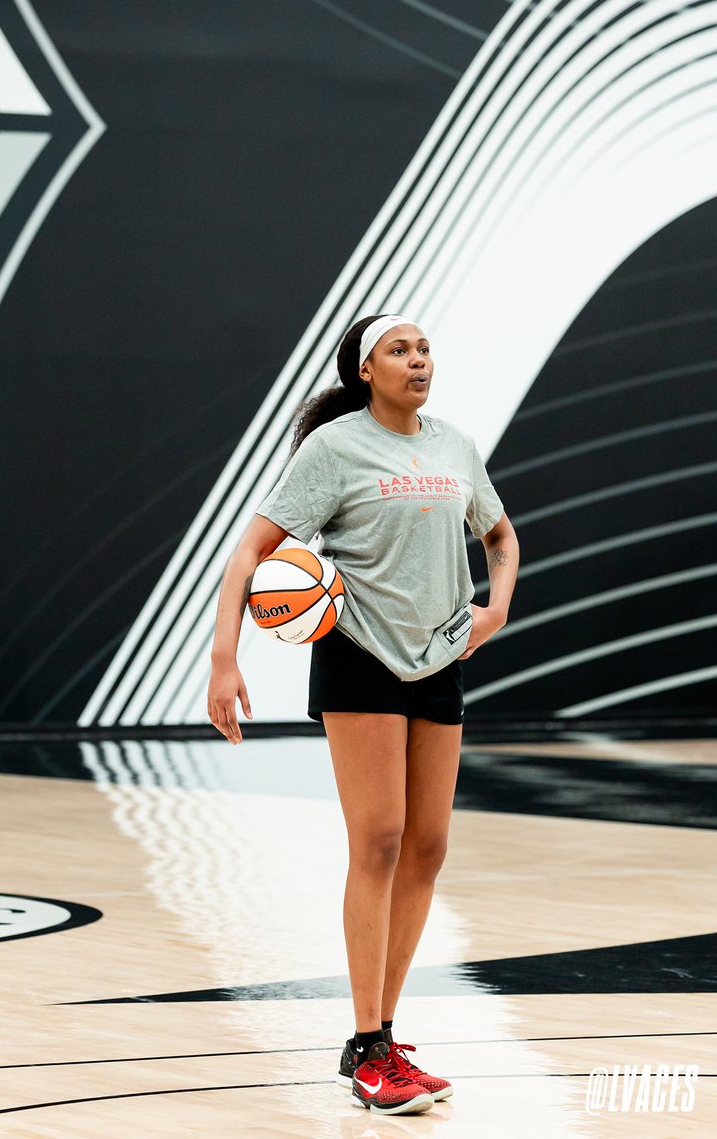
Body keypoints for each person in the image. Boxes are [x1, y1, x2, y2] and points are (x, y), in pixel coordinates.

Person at [206, 313, 519, 1116]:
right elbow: (250, 553)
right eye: (400, 351)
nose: (418, 360)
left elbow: (502, 539)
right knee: (378, 840)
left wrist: (495, 612)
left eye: (423, 349)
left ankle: (378, 1038)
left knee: (428, 847)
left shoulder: (453, 445)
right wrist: (224, 657)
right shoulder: (333, 449)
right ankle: (370, 1047)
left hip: (440, 654)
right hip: (360, 657)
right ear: (365, 370)